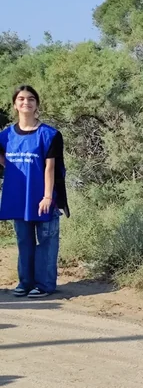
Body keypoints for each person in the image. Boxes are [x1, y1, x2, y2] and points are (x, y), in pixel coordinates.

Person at [0, 85, 69, 298]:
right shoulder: (5, 136)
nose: (26, 102)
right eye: (21, 99)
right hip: (19, 198)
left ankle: (45, 285)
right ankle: (25, 283)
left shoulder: (49, 134)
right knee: (24, 242)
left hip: (44, 198)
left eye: (31, 98)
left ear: (37, 104)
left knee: (47, 243)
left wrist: (48, 196)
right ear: (15, 104)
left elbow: (50, 168)